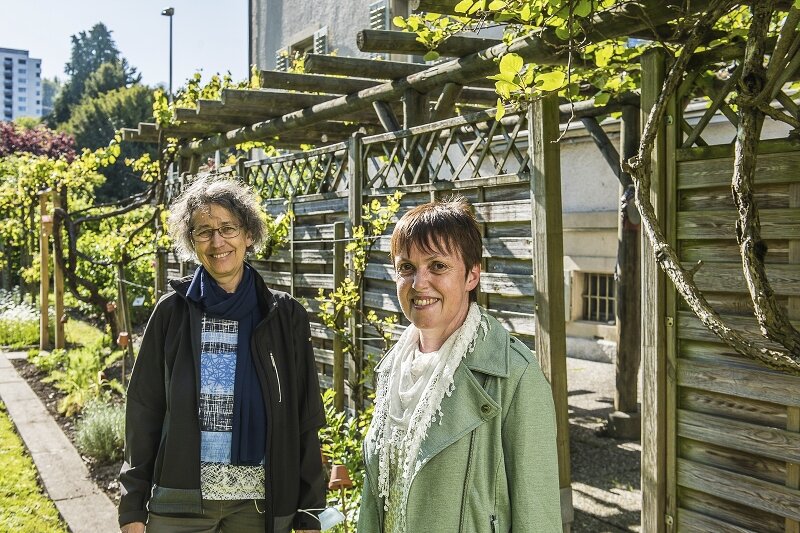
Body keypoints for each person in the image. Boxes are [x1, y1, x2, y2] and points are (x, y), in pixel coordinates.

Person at [119, 176, 325, 533]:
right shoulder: (172, 314)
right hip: (179, 503)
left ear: (249, 235)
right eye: (204, 231)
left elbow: (304, 415)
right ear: (192, 242)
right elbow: (143, 410)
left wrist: (309, 510)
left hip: (260, 506)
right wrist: (132, 506)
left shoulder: (283, 315)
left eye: (228, 228)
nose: (217, 242)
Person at [358, 197, 563, 533]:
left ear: (472, 275)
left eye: (437, 266)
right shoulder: (392, 370)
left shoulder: (516, 376)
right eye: (406, 268)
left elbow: (538, 519)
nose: (419, 283)